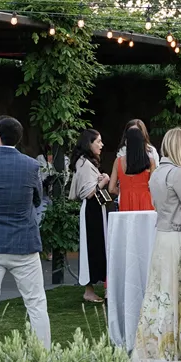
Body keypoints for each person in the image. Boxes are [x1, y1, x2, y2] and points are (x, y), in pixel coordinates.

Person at [0, 116, 51, 350]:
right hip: (23, 244)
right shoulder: (32, 165)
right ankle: (43, 356)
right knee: (36, 303)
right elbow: (36, 199)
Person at [134, 127, 181, 362]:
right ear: (179, 147)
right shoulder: (178, 173)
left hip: (163, 238)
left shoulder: (156, 173)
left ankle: (157, 345)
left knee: (163, 293)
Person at [70, 128, 110, 303]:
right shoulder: (84, 164)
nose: (101, 145)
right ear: (89, 143)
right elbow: (88, 192)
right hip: (91, 211)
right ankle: (89, 289)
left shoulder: (85, 162)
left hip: (95, 210)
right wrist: (104, 181)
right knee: (91, 248)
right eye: (98, 141)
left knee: (96, 246)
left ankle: (91, 287)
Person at [113, 123, 157, 212]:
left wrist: (124, 192)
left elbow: (111, 188)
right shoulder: (151, 161)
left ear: (127, 142)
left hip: (125, 203)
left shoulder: (118, 161)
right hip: (146, 203)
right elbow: (154, 187)